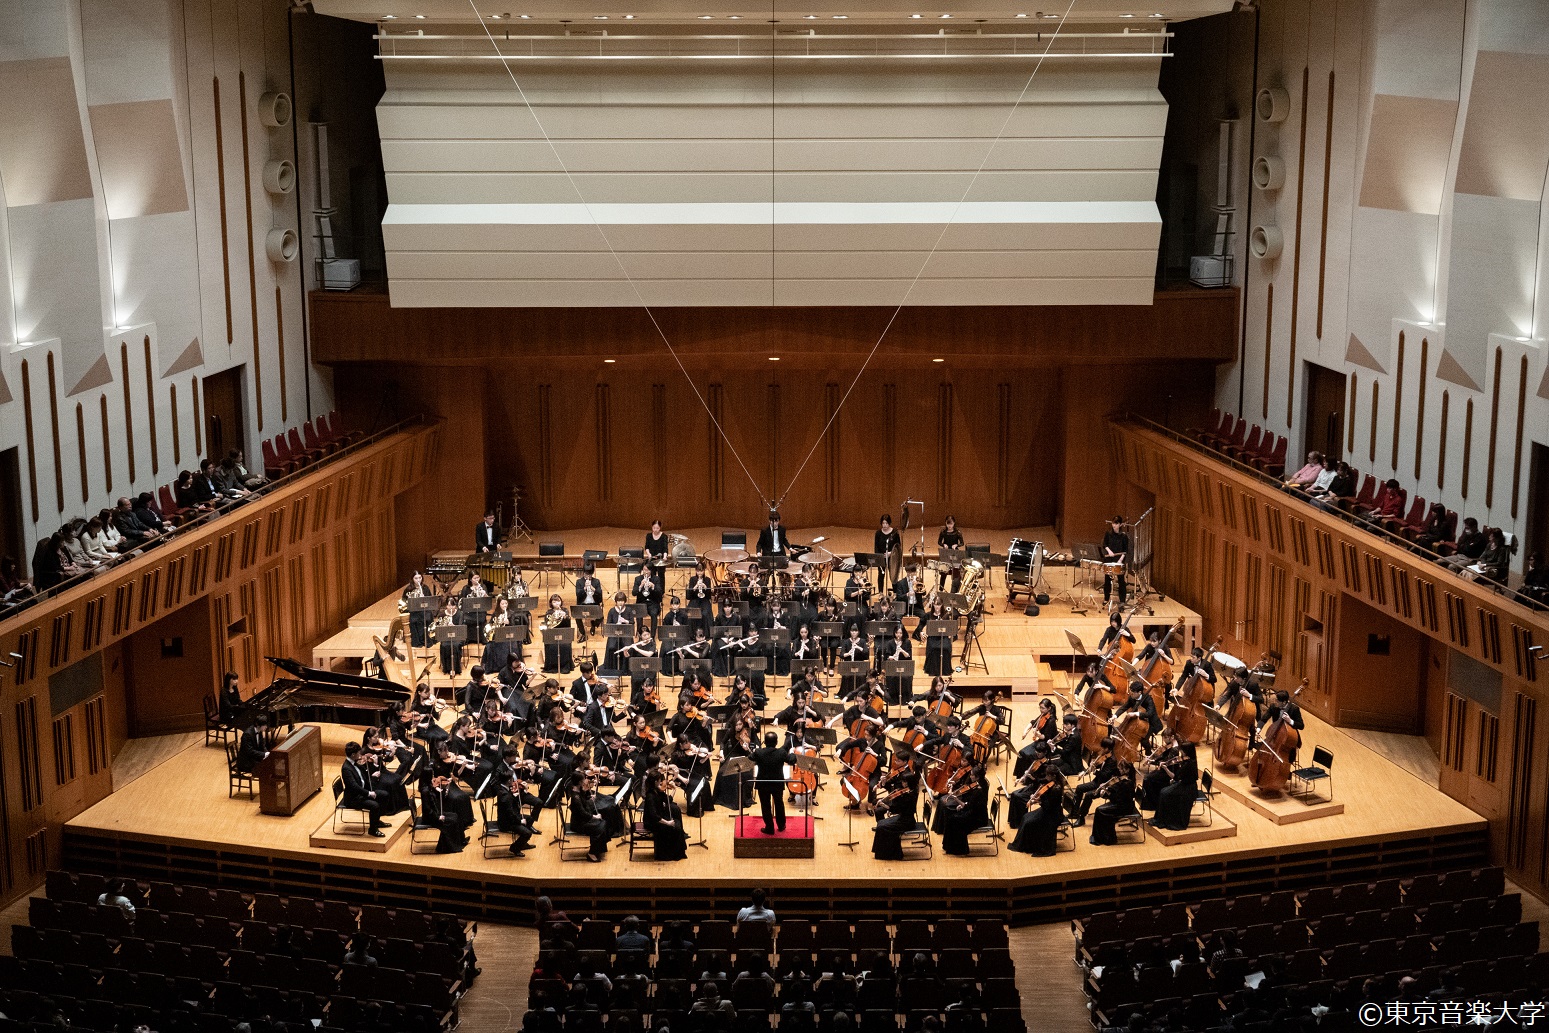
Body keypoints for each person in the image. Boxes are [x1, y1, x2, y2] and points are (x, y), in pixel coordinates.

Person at [341, 742, 389, 837]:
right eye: (358, 753)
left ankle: (376, 821)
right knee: (374, 805)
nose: (361, 755)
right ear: (353, 754)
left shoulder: (355, 763)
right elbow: (354, 787)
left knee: (385, 795)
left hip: (362, 793)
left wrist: (373, 769)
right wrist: (368, 793)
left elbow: (364, 775)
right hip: (354, 798)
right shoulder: (346, 769)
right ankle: (373, 830)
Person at [871, 769, 921, 861]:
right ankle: (881, 851)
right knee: (881, 823)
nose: (903, 783)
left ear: (909, 782)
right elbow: (897, 805)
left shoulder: (910, 795)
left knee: (882, 827)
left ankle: (891, 854)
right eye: (903, 781)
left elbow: (897, 809)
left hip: (907, 822)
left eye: (905, 782)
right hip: (903, 818)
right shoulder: (909, 791)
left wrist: (884, 805)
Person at [750, 733, 794, 834]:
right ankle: (781, 825)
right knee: (779, 804)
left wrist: (754, 750)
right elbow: (791, 760)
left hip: (763, 784)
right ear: (776, 742)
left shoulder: (759, 752)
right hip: (777, 783)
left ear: (765, 742)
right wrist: (791, 753)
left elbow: (750, 757)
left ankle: (769, 828)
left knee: (765, 805)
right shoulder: (781, 752)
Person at [1151, 742, 1199, 831]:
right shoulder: (1190, 760)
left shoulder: (1188, 764)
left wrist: (1165, 768)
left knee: (1165, 793)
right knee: (1164, 791)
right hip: (1185, 784)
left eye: (1182, 750)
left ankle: (1167, 819)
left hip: (1188, 788)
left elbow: (1175, 777)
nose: (1181, 752)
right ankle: (1163, 818)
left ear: (1186, 751)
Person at [1089, 760, 1138, 845]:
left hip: (1125, 807)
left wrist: (1107, 793)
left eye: (1121, 769)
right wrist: (1106, 792)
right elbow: (1116, 794)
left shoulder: (1128, 783)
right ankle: (1099, 836)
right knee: (1099, 810)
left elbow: (1118, 798)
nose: (1120, 771)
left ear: (1127, 770)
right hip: (1120, 803)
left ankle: (1106, 838)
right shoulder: (1123, 780)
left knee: (1099, 810)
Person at [644, 768, 688, 861]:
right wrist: (667, 823)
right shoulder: (650, 796)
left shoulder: (657, 790)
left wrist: (674, 789)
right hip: (652, 822)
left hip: (659, 817)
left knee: (677, 823)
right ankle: (668, 854)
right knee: (675, 827)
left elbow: (668, 800)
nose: (661, 782)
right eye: (660, 780)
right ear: (655, 782)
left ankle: (677, 852)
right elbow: (654, 816)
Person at [1101, 516, 1130, 605]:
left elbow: (1125, 550)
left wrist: (1120, 560)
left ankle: (1122, 600)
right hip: (1109, 559)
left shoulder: (1124, 536)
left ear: (1120, 524)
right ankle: (1106, 598)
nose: (1114, 525)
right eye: (1113, 523)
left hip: (1119, 560)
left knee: (1121, 580)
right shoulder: (1108, 533)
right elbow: (1105, 544)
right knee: (1107, 579)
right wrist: (1109, 551)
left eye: (1116, 524)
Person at [936, 515, 965, 593]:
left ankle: (954, 590)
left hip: (954, 552)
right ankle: (941, 590)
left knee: (956, 572)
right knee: (944, 573)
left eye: (951, 524)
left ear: (954, 523)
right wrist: (943, 544)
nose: (949, 526)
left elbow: (962, 543)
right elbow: (939, 542)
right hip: (946, 552)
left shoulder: (958, 532)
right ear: (945, 523)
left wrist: (956, 545)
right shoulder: (943, 532)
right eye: (948, 524)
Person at [874, 515, 902, 593]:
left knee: (893, 575)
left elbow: (898, 546)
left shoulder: (894, 533)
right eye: (883, 523)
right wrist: (879, 557)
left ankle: (895, 593)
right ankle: (881, 593)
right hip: (881, 557)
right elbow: (876, 547)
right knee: (881, 575)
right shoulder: (878, 533)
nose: (884, 525)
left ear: (889, 523)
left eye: (886, 523)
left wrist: (891, 553)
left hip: (892, 557)